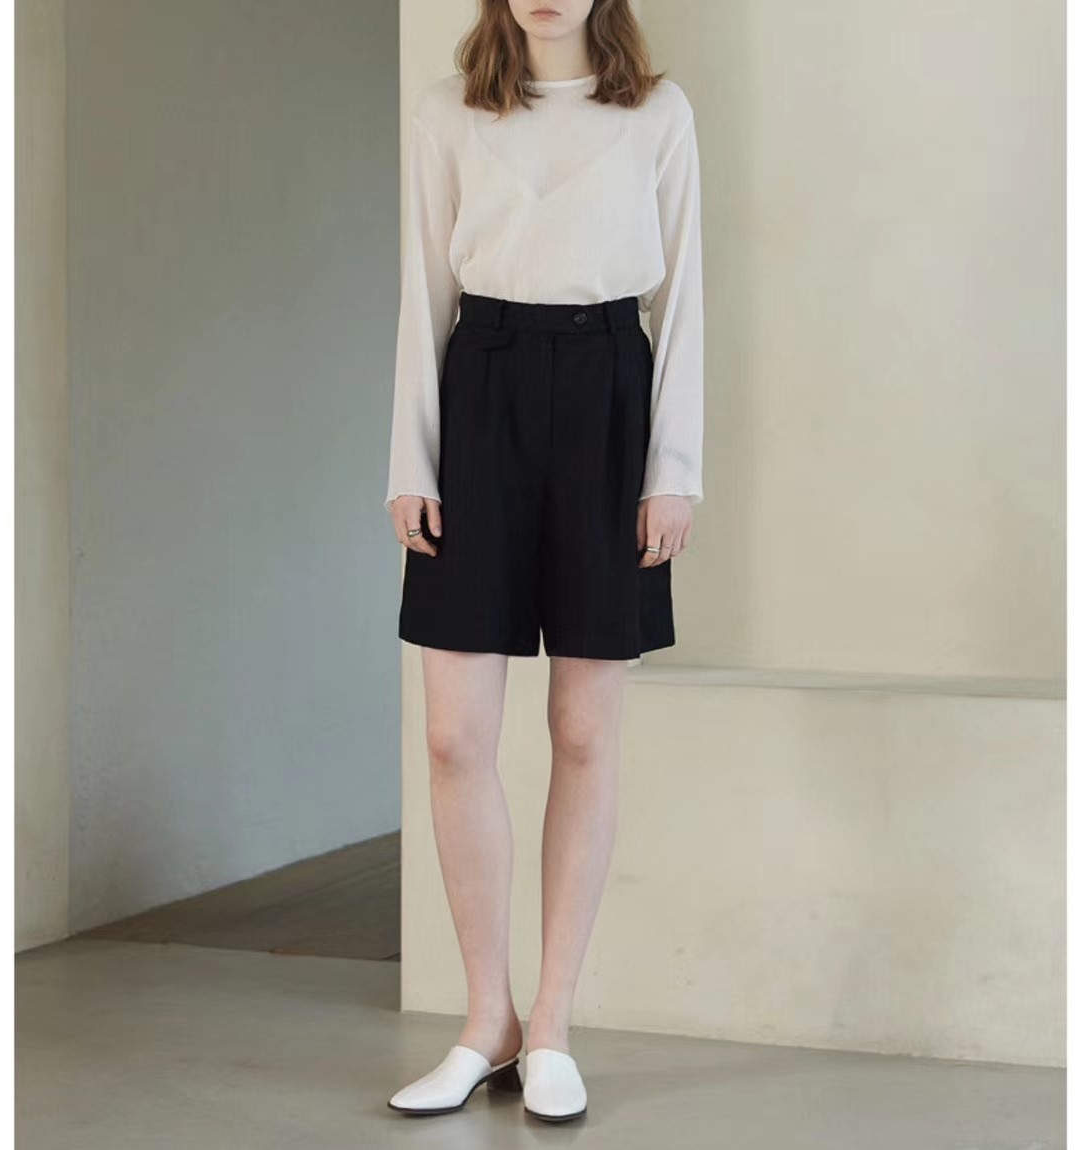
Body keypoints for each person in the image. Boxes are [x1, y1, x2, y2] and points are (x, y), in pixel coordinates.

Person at [383, 0, 704, 1123]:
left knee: (582, 728)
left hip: (611, 394)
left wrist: (674, 470)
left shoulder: (656, 112)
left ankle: (554, 1025)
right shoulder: (449, 112)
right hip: (480, 391)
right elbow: (423, 291)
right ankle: (488, 1022)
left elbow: (683, 296)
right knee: (452, 734)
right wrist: (410, 460)